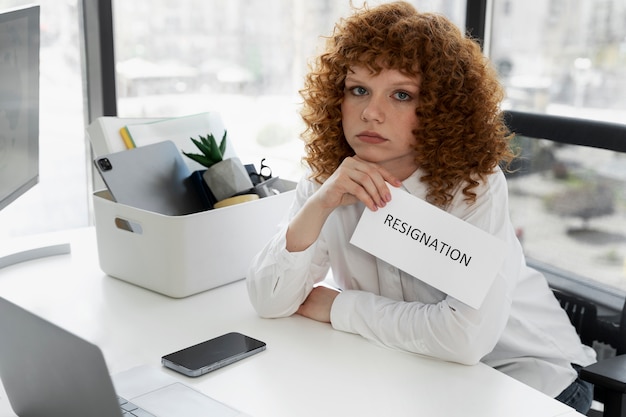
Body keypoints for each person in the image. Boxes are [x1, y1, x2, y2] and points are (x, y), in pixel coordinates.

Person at [246, 2, 596, 413]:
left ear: (440, 110)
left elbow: (464, 339)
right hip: (418, 375)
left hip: (529, 379)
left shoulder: (473, 187)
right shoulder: (329, 180)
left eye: (401, 95)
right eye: (358, 89)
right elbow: (270, 301)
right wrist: (320, 204)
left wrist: (340, 305)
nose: (370, 113)